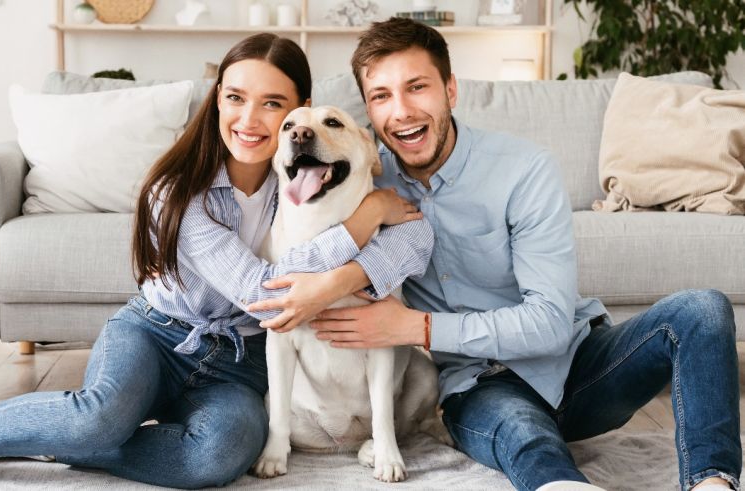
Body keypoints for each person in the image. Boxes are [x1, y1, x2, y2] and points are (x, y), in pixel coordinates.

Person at [0, 33, 433, 488]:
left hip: (238, 360)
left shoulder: (307, 181)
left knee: (221, 454)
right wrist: (364, 224)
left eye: (273, 105)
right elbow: (265, 289)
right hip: (157, 334)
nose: (250, 119)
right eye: (235, 98)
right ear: (216, 100)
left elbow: (413, 239)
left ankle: (56, 438)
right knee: (100, 417)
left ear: (298, 118)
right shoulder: (178, 193)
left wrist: (380, 213)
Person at [262, 17, 740, 491]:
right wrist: (335, 275)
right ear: (368, 115)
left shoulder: (523, 170)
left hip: (579, 362)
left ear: (450, 89)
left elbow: (552, 322)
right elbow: (299, 239)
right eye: (381, 97)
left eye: (417, 87)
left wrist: (417, 327)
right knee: (527, 438)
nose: (402, 111)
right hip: (477, 385)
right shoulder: (358, 176)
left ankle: (711, 483)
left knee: (701, 309)